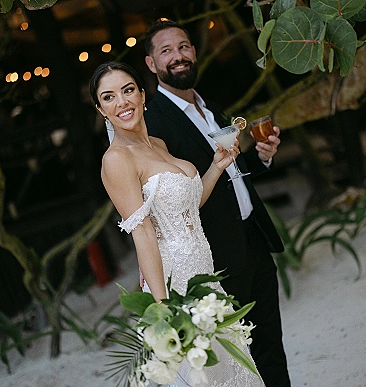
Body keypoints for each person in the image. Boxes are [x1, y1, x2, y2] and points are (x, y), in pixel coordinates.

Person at [91, 61, 265, 386]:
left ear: (143, 94)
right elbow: (143, 235)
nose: (122, 102)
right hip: (174, 284)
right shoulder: (116, 160)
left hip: (205, 275)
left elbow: (187, 208)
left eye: (128, 90)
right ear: (100, 108)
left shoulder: (157, 144)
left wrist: (216, 166)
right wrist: (163, 311)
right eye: (109, 96)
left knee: (232, 371)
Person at [143, 19, 291, 387]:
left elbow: (230, 171)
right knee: (238, 357)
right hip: (217, 255)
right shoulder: (154, 123)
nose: (178, 56)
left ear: (194, 52)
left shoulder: (211, 108)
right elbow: (172, 194)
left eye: (183, 47)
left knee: (271, 344)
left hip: (254, 239)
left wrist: (262, 155)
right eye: (166, 51)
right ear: (151, 64)